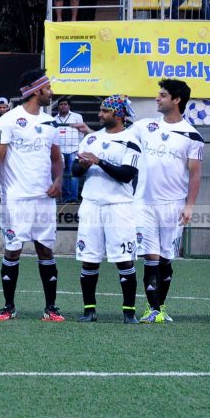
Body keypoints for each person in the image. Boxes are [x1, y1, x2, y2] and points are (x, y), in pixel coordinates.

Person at [0, 69, 65, 322]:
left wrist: (58, 180)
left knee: (46, 251)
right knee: (12, 251)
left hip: (44, 201)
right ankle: (8, 307)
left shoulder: (50, 122)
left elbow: (57, 159)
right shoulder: (8, 120)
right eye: (48, 88)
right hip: (16, 200)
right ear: (36, 91)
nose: (51, 92)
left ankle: (51, 309)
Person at [132, 79, 204, 324]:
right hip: (144, 203)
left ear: (176, 100)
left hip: (173, 205)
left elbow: (195, 173)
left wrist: (190, 205)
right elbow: (116, 134)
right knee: (150, 257)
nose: (157, 98)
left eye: (162, 95)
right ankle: (152, 309)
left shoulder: (192, 135)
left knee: (165, 258)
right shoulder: (144, 126)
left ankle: (160, 307)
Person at [71, 95, 142, 324]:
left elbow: (126, 175)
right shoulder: (91, 138)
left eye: (105, 111)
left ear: (119, 114)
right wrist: (82, 165)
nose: (100, 115)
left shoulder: (131, 140)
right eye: (100, 110)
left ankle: (129, 312)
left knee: (124, 260)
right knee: (89, 259)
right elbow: (74, 170)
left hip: (118, 207)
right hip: (91, 205)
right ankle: (89, 310)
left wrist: (99, 162)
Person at [53, 97, 84, 203]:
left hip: (74, 149)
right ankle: (66, 198)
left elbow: (81, 132)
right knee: (63, 174)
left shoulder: (77, 116)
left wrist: (79, 145)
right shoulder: (54, 119)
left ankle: (74, 198)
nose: (63, 106)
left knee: (73, 173)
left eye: (65, 104)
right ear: (58, 106)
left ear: (69, 106)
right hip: (60, 150)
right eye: (61, 104)